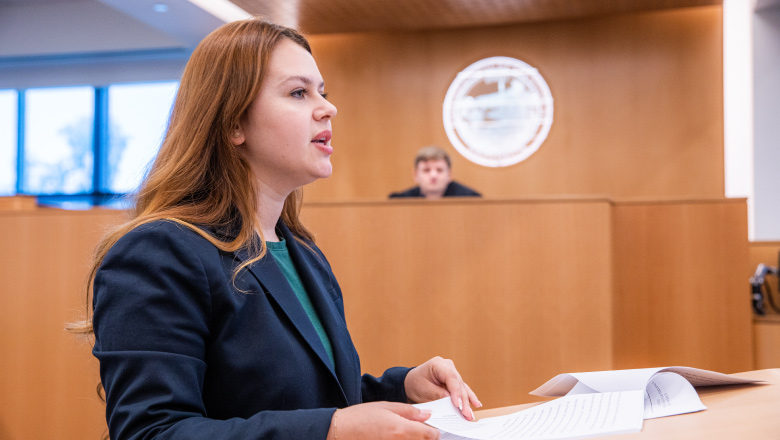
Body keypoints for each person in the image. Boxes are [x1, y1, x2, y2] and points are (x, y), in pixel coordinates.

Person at [70, 18, 481, 440]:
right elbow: (151, 432)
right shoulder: (158, 253)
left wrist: (402, 386)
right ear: (233, 123)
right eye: (299, 92)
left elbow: (301, 399)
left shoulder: (300, 250)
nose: (328, 107)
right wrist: (331, 430)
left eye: (323, 92)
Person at [388, 146, 481, 199]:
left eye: (439, 170)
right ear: (416, 175)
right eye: (426, 170)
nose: (433, 175)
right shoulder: (401, 201)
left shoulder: (471, 200)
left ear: (449, 174)